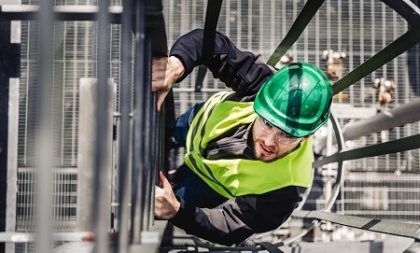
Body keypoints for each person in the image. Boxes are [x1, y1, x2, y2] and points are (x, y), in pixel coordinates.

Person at [152, 29, 333, 246]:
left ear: (307, 136)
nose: (268, 141)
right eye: (267, 122)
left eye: (286, 135)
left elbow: (231, 226)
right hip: (198, 122)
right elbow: (211, 44)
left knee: (157, 199)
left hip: (207, 182)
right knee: (170, 132)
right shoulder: (265, 85)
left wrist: (178, 211)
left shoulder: (286, 190)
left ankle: (170, 177)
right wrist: (177, 63)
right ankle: (170, 138)